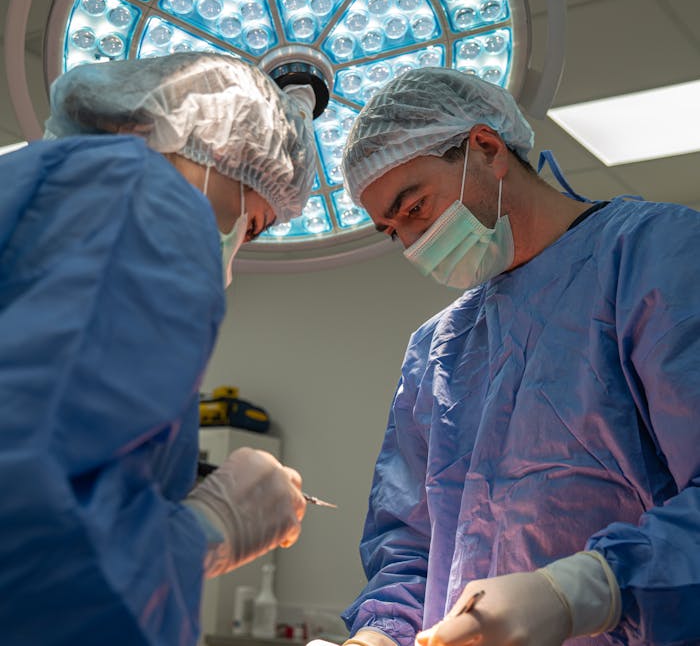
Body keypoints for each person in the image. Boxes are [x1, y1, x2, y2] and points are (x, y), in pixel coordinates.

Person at [338, 67, 700, 646]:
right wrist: (379, 634)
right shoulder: (438, 348)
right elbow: (408, 543)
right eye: (391, 231)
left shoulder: (659, 259)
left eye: (415, 208)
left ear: (486, 148)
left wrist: (588, 591)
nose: (411, 244)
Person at [0, 52, 318, 646]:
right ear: (220, 148)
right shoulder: (144, 200)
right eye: (251, 224)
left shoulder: (31, 184)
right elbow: (41, 550)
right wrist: (207, 528)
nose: (234, 250)